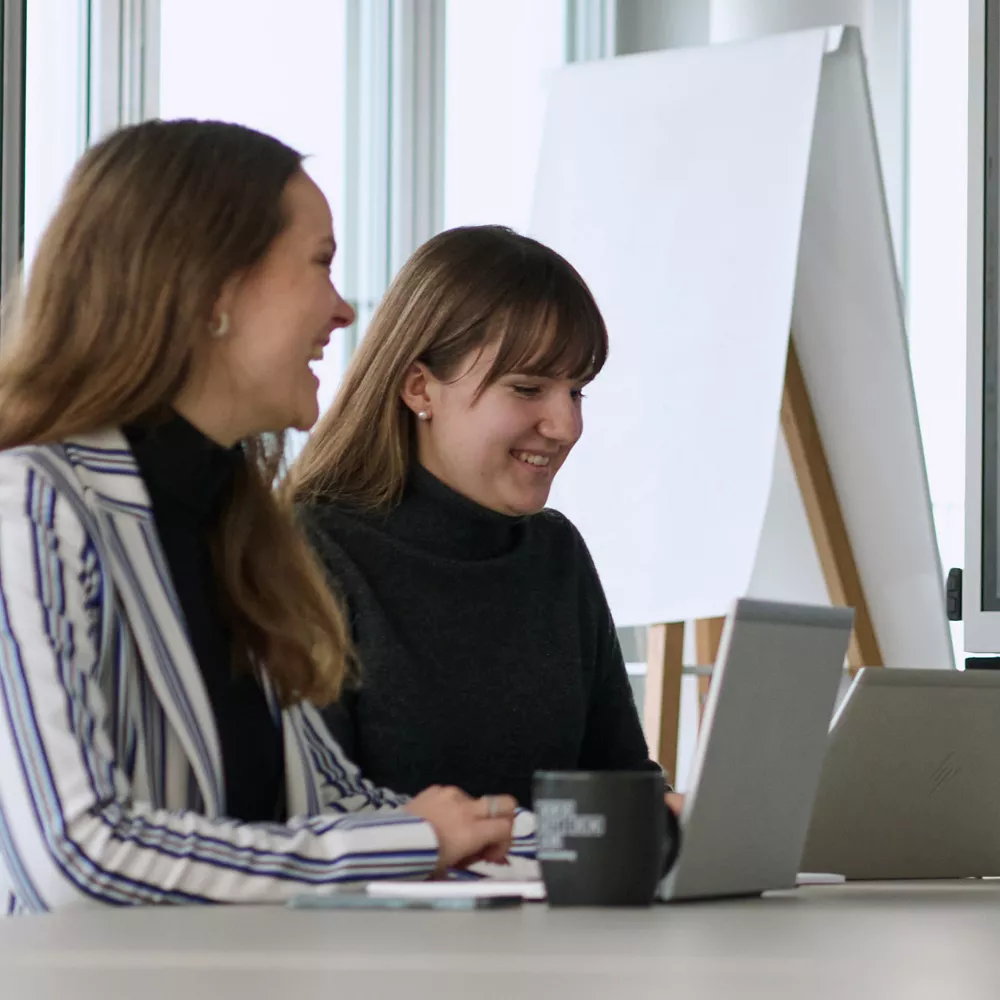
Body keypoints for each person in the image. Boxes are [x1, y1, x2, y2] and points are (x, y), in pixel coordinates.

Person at [0, 121, 518, 915]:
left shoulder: (232, 521)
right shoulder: (28, 505)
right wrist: (413, 840)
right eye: (320, 263)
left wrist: (591, 837)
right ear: (212, 288)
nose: (343, 310)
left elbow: (331, 805)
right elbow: (76, 858)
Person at [291, 225, 672, 810]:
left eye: (577, 392)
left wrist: (675, 818)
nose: (566, 426)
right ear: (420, 387)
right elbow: (315, 814)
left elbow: (618, 780)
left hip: (552, 900)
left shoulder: (555, 554)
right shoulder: (309, 551)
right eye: (527, 389)